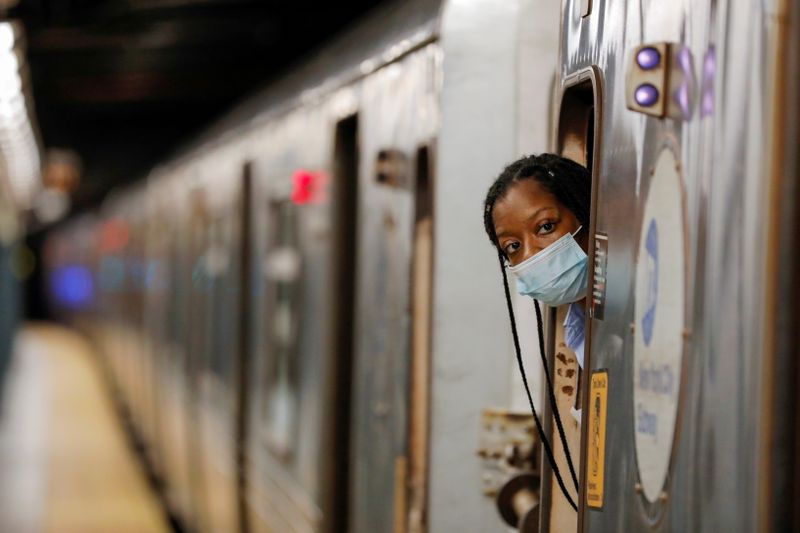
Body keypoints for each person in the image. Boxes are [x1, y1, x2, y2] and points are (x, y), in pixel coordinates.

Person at [482, 152, 592, 511]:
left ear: (586, 210)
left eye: (545, 227)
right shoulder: (575, 327)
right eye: (512, 247)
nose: (529, 255)